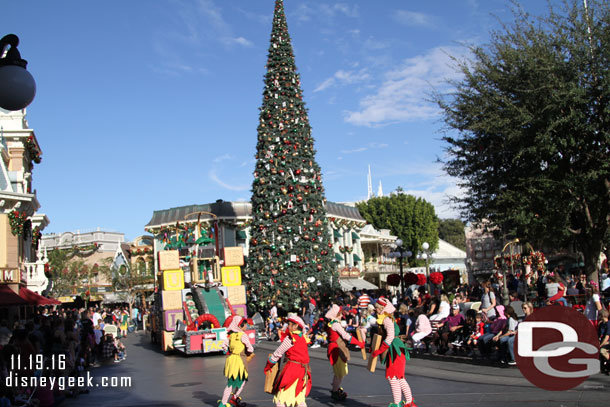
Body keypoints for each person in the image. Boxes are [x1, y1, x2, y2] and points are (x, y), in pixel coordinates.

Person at [371, 297, 417, 407]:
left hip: (395, 349)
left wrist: (379, 351)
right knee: (398, 377)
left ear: (382, 308)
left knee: (393, 377)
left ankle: (397, 403)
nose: (375, 310)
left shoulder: (387, 319)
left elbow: (390, 336)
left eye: (377, 308)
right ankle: (409, 401)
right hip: (395, 348)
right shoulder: (385, 318)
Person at [264, 316, 311, 407]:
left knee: (282, 399)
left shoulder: (290, 339)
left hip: (291, 371)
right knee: (299, 399)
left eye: (289, 325)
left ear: (295, 326)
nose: (287, 327)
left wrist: (270, 363)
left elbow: (278, 353)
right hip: (303, 372)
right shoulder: (303, 338)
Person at [324, 304, 365, 401]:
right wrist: (359, 343)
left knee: (338, 371)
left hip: (335, 347)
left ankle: (335, 388)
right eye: (340, 314)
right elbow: (345, 336)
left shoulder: (332, 323)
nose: (342, 316)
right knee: (340, 372)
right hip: (337, 349)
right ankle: (335, 391)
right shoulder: (335, 324)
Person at [218, 316, 254, 407]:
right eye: (245, 325)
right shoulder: (243, 335)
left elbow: (224, 346)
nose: (246, 326)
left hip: (231, 360)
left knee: (237, 380)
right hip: (239, 361)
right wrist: (248, 351)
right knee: (234, 382)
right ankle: (224, 403)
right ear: (240, 326)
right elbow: (250, 348)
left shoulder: (230, 335)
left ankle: (233, 399)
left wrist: (228, 350)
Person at [598, 309, 609, 375]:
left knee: (602, 350)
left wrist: (600, 345)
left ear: (602, 316)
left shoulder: (608, 324)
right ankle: (602, 367)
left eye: (599, 315)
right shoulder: (601, 324)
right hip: (601, 342)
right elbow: (599, 335)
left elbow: (606, 338)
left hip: (607, 342)